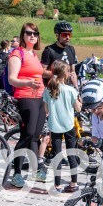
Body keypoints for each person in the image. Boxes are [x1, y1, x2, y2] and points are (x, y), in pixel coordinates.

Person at [7, 22, 46, 188]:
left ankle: (36, 170)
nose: (32, 36)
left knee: (35, 135)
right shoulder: (17, 53)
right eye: (29, 33)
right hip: (25, 97)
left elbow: (41, 74)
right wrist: (27, 84)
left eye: (35, 33)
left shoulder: (34, 54)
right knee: (27, 134)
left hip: (40, 98)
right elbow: (12, 79)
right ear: (23, 35)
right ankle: (16, 173)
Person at [43, 61, 82, 193]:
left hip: (54, 126)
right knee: (71, 153)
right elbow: (78, 108)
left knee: (57, 155)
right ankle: (74, 183)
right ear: (65, 74)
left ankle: (57, 185)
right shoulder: (71, 90)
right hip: (68, 125)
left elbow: (46, 110)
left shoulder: (48, 90)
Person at [41, 21, 79, 89]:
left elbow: (72, 72)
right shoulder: (49, 50)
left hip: (67, 89)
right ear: (57, 35)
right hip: (52, 90)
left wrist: (76, 88)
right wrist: (60, 75)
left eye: (69, 35)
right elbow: (42, 73)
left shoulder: (71, 49)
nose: (68, 37)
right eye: (65, 35)